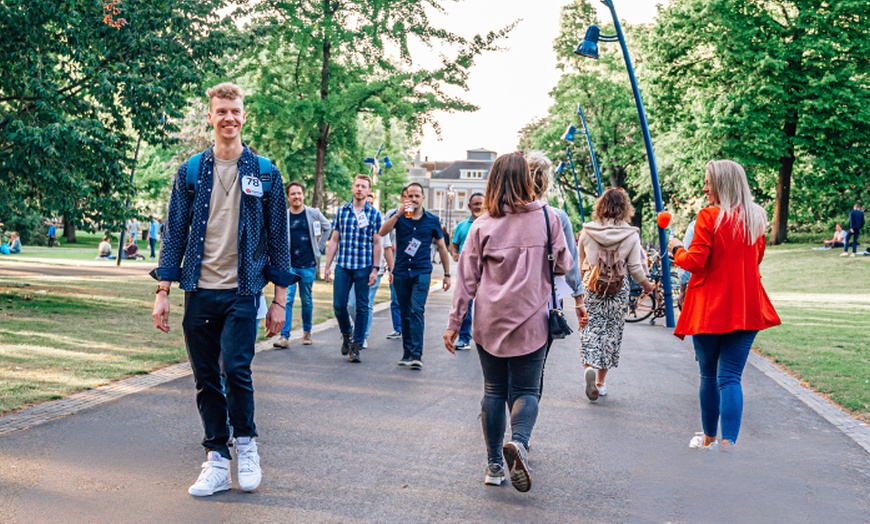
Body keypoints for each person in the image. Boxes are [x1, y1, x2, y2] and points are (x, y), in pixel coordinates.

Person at [151, 82, 297, 496]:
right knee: (204, 378)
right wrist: (163, 289)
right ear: (210, 117)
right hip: (199, 289)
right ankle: (216, 456)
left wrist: (279, 301)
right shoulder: (191, 171)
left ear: (243, 116)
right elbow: (175, 232)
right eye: (222, 111)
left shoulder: (265, 172)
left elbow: (279, 239)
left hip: (242, 290)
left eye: (236, 110)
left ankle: (246, 444)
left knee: (235, 368)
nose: (229, 118)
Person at [444, 153, 571, 492]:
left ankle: (494, 466)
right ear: (528, 180)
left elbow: (466, 280)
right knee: (527, 390)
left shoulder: (482, 225)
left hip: (490, 321)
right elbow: (563, 264)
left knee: (494, 391)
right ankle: (520, 443)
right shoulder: (548, 218)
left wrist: (455, 323)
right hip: (532, 320)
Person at [669, 159, 781, 451]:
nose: (705, 187)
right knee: (731, 377)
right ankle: (729, 444)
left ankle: (708, 439)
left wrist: (676, 249)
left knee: (709, 375)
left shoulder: (709, 217)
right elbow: (755, 261)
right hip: (747, 306)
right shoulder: (756, 218)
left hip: (710, 308)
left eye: (708, 182)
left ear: (722, 184)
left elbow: (695, 262)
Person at [577, 188, 654, 401]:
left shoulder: (586, 232)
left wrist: (583, 284)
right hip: (618, 291)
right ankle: (600, 383)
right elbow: (636, 268)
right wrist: (647, 286)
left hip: (591, 287)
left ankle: (588, 368)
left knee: (589, 329)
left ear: (600, 205)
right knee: (611, 334)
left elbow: (581, 264)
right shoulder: (630, 234)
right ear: (624, 208)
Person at [380, 182, 451, 369]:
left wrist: (447, 274)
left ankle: (417, 354)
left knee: (416, 310)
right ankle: (407, 353)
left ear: (423, 198)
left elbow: (442, 248)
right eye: (409, 196)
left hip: (421, 271)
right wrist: (397, 214)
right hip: (402, 271)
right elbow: (382, 232)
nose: (413, 199)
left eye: (416, 196)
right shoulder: (399, 217)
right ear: (405, 198)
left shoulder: (432, 220)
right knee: (405, 311)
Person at [323, 174, 383, 363]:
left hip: (363, 267)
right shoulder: (342, 211)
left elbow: (377, 243)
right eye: (357, 186)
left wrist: (375, 269)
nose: (359, 189)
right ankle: (346, 333)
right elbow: (334, 240)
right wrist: (327, 266)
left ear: (368, 191)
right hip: (344, 265)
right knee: (339, 305)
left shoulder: (374, 214)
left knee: (362, 307)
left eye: (363, 187)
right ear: (352, 188)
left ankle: (356, 345)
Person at [273, 181, 332, 349]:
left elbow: (328, 228)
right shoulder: (284, 216)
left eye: (299, 193)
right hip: (289, 265)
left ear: (303, 195)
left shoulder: (313, 213)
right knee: (288, 299)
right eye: (293, 194)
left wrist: (319, 249)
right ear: (288, 197)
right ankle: (284, 337)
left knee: (306, 300)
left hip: (308, 264)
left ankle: (307, 332)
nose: (296, 196)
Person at [347, 193, 394, 349]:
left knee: (366, 303)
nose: (368, 205)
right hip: (354, 268)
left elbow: (387, 248)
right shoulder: (350, 219)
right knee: (350, 304)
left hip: (375, 270)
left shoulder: (378, 220)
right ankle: (358, 329)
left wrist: (391, 269)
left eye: (371, 202)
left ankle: (363, 335)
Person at [448, 192, 484, 350]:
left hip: (486, 272)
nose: (478, 207)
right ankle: (464, 337)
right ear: (469, 207)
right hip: (467, 270)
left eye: (481, 204)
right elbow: (454, 245)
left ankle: (485, 337)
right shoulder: (462, 226)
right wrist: (455, 254)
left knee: (485, 305)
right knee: (465, 303)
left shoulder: (491, 224)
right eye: (475, 204)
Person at [384, 187, 409, 341]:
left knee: (410, 299)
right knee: (395, 296)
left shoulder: (417, 216)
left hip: (412, 262)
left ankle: (409, 327)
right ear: (401, 198)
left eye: (411, 197)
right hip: (395, 262)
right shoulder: (392, 214)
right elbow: (384, 233)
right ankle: (397, 328)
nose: (408, 200)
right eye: (405, 196)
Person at [678, 219, 696, 308]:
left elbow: (687, 261)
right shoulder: (742, 223)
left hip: (699, 289)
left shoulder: (695, 225)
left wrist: (682, 290)